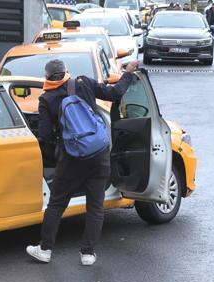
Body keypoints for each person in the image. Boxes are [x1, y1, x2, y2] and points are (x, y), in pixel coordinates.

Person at [25, 59, 139, 266]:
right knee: (95, 206)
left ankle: (45, 250)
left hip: (72, 158)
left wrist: (60, 146)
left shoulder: (47, 99)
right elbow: (114, 94)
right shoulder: (83, 82)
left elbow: (44, 135)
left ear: (47, 77)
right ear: (66, 72)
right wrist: (128, 73)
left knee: (57, 204)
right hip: (99, 152)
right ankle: (87, 254)